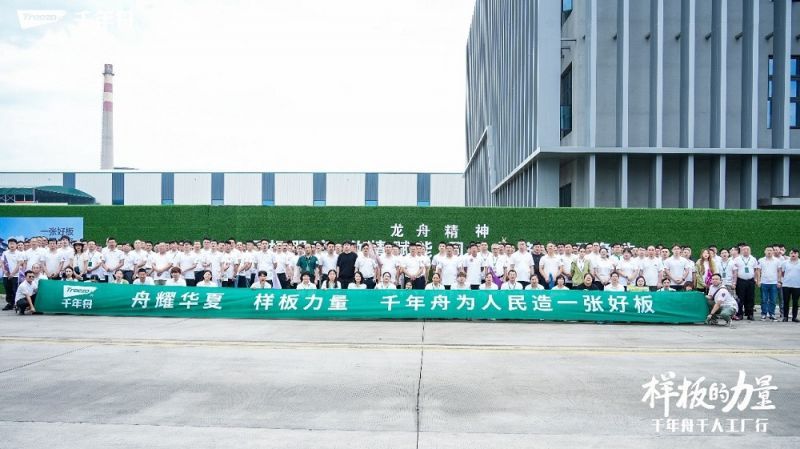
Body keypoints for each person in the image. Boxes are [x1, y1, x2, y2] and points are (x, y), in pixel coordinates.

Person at [732, 244, 758, 321]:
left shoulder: (753, 259)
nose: (746, 251)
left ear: (750, 251)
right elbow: (734, 271)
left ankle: (750, 314)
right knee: (740, 298)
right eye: (744, 250)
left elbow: (756, 270)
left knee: (750, 298)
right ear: (741, 251)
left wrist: (756, 279)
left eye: (747, 250)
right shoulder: (737, 259)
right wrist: (734, 282)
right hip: (740, 281)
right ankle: (739, 314)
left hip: (750, 281)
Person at [757, 246, 781, 321]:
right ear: (765, 251)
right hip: (764, 282)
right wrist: (758, 281)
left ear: (773, 252)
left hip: (774, 283)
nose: (769, 252)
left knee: (773, 300)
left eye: (770, 250)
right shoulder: (761, 260)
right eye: (767, 250)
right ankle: (764, 314)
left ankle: (772, 314)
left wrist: (779, 281)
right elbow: (758, 271)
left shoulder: (777, 261)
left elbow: (779, 271)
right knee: (764, 299)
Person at [2, 238, 25, 311]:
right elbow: (2, 262)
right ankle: (9, 303)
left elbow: (19, 264)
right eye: (10, 244)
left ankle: (15, 303)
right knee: (8, 290)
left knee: (15, 290)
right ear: (8, 245)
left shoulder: (19, 253)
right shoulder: (5, 253)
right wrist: (4, 271)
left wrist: (12, 273)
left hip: (16, 275)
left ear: (16, 245)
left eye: (13, 244)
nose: (12, 245)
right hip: (6, 275)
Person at [779, 249, 800, 322]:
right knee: (786, 301)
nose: (793, 254)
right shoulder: (785, 263)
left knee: (795, 302)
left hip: (797, 285)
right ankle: (785, 317)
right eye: (791, 253)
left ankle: (794, 317)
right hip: (786, 285)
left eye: (795, 253)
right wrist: (780, 281)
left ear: (798, 254)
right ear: (789, 254)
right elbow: (781, 273)